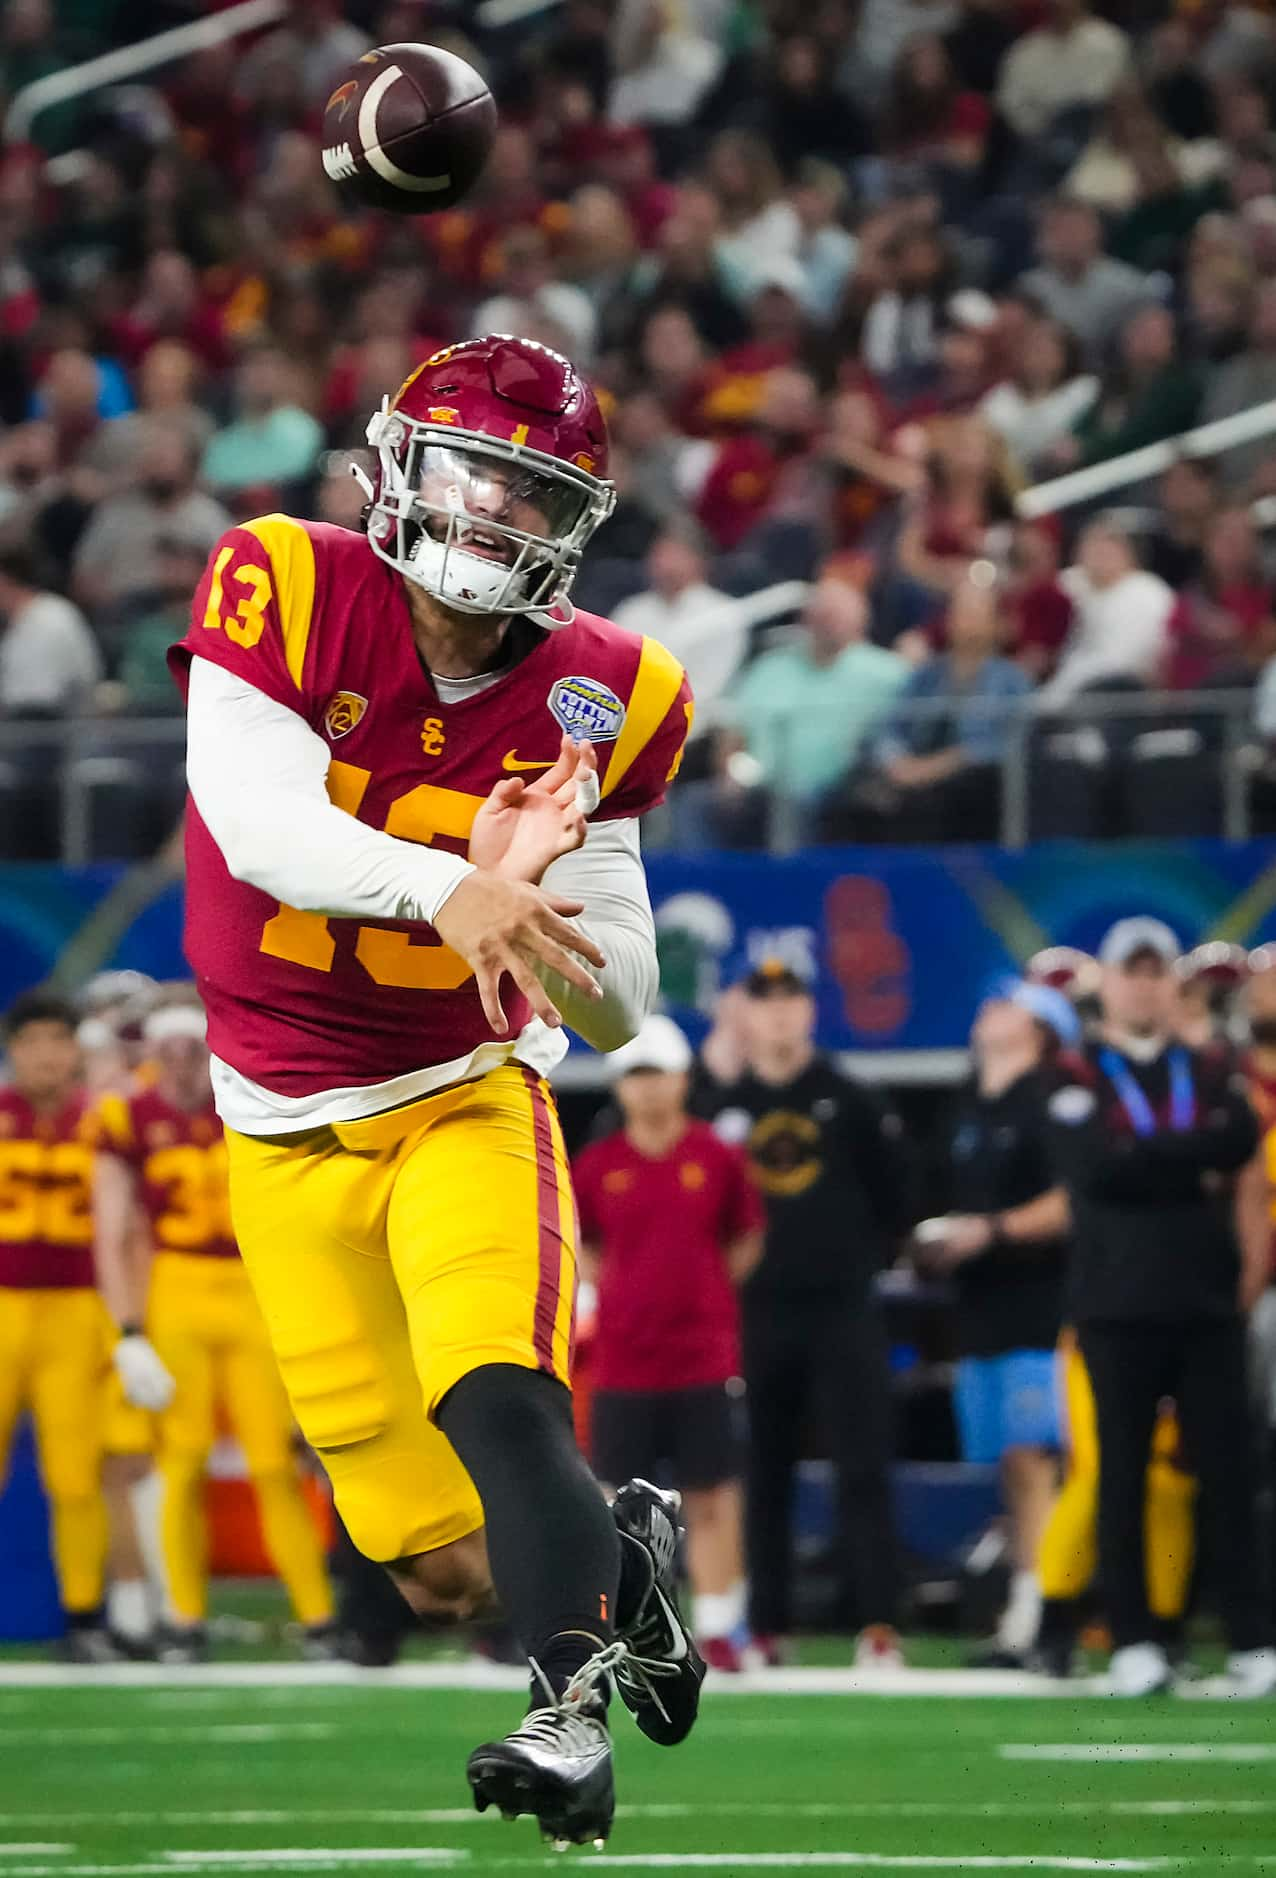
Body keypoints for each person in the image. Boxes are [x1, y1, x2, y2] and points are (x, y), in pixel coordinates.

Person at [168, 334, 699, 1846]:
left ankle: (566, 1719)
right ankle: (631, 1560)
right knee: (428, 1563)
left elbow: (622, 1005)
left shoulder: (609, 691)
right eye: (472, 473)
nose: (490, 516)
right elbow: (255, 819)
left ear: (574, 526)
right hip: (275, 1121)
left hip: (461, 1086)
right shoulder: (285, 576)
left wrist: (548, 925)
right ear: (400, 465)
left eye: (531, 496)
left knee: (497, 1385)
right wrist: (449, 886)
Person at [1045, 917, 1275, 1696]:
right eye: (1130, 971)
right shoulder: (1075, 1071)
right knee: (1120, 1477)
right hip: (1114, 1303)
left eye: (1154, 972)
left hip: (1205, 1300)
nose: (1143, 984)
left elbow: (1239, 1139)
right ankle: (1135, 1641)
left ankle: (1251, 1641)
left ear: (1170, 984)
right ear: (1107, 983)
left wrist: (1147, 1156)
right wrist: (1188, 1156)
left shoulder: (1207, 1067)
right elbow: (1093, 1169)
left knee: (1229, 1474)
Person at [91, 992, 337, 1663]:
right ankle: (184, 1619)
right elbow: (115, 1230)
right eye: (166, 1053)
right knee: (182, 1461)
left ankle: (318, 1618)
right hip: (177, 1286)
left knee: (274, 1463)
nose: (179, 1066)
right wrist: (129, 1330)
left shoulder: (251, 1103)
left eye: (190, 1051)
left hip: (253, 1287)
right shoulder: (128, 1116)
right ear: (150, 1055)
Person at [696, 961, 911, 1667]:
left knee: (863, 1464)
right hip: (754, 1309)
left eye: (793, 1000)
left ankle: (878, 1625)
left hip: (843, 1304)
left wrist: (856, 1261)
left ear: (810, 1012)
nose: (781, 1015)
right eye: (766, 1002)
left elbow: (896, 1198)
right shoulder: (721, 1101)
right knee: (762, 1468)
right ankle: (767, 1626)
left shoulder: (849, 1097)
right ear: (744, 1015)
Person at [574, 1014, 763, 1671]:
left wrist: (701, 1296)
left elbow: (745, 1236)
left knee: (713, 1494)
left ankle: (718, 1625)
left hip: (702, 1358)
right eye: (634, 1075)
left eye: (657, 1073)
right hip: (625, 1361)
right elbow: (586, 1246)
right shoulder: (598, 1166)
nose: (647, 1088)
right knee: (613, 1498)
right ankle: (623, 1624)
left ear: (683, 1079)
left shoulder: (716, 1156)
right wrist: (630, 1296)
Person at [912, 982, 1073, 1665]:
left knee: (1037, 1461)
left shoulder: (1053, 1102)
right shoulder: (968, 1104)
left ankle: (1042, 1618)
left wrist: (993, 1230)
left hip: (1041, 1306)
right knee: (1011, 1468)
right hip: (979, 1309)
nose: (988, 1010)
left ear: (1039, 1028)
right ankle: (1025, 1607)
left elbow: (1072, 1201)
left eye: (1007, 1003)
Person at [0, 992, 115, 1661]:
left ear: (76, 1049)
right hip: (5, 1303)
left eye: (57, 1040)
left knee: (75, 1476)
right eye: (32, 1040)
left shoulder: (102, 1120)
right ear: (14, 1049)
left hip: (75, 1308)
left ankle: (84, 1619)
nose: (45, 1054)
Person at [1042, 517, 1174, 703]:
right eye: (1092, 546)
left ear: (1130, 554)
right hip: (1065, 689)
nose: (1100, 554)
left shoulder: (1146, 592)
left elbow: (1122, 661)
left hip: (1126, 693)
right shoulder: (1070, 584)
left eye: (1110, 546)